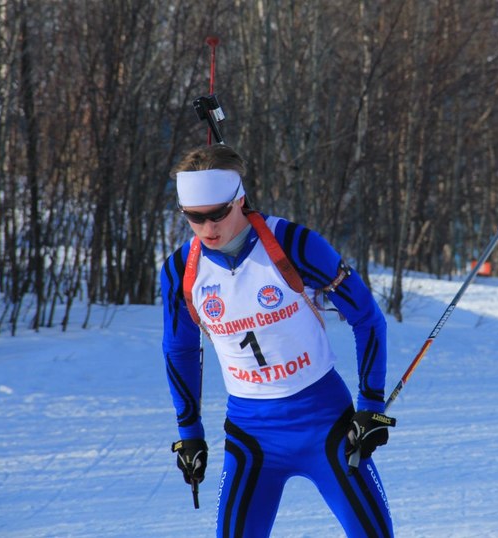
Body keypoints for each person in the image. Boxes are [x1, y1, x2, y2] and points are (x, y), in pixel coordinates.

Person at [160, 144, 396, 537]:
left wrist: (370, 405)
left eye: (217, 214)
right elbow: (180, 349)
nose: (208, 228)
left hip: (326, 424)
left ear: (239, 199)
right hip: (252, 436)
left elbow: (368, 318)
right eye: (194, 218)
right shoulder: (181, 270)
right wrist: (189, 434)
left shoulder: (295, 244)